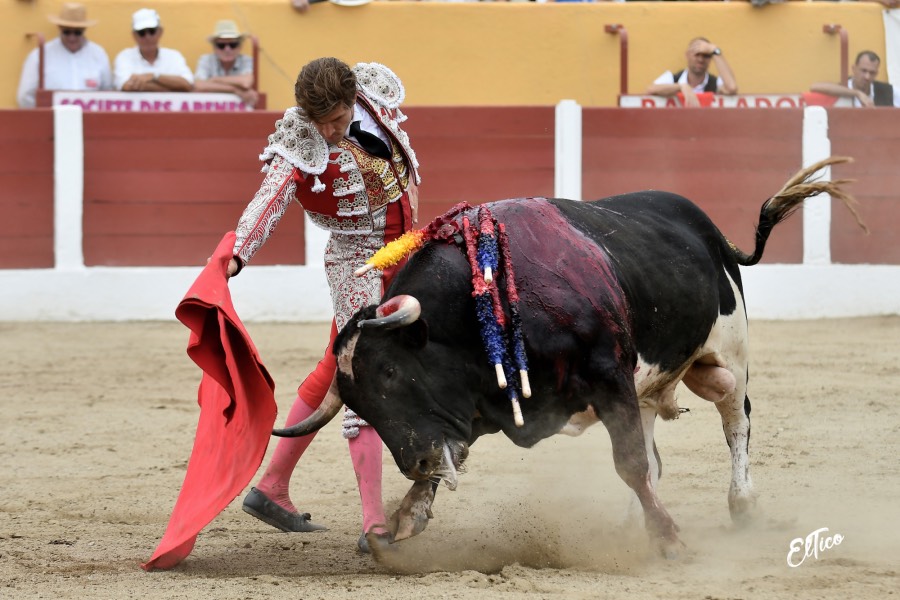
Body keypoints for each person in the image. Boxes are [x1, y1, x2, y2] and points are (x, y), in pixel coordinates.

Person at [228, 57, 420, 553]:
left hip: (404, 252)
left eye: (336, 120)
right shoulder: (301, 136)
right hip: (357, 264)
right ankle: (375, 524)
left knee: (333, 371)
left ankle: (272, 486)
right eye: (319, 122)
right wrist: (238, 253)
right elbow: (269, 198)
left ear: (353, 100)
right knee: (362, 375)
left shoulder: (373, 96)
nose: (328, 132)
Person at [16, 3, 112, 108]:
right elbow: (25, 96)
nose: (72, 37)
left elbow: (107, 93)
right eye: (66, 32)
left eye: (77, 33)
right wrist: (43, 115)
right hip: (51, 116)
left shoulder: (98, 54)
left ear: (84, 30)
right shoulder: (39, 55)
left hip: (91, 117)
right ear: (60, 28)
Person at [113, 8, 193, 92]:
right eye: (141, 32)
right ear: (134, 35)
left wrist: (153, 76)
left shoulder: (174, 56)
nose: (148, 37)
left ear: (160, 32)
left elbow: (187, 84)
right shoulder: (124, 56)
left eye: (152, 31)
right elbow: (127, 86)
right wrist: (173, 86)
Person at [646, 37, 738, 107]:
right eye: (697, 54)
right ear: (687, 55)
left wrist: (715, 50)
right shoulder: (673, 78)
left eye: (706, 56)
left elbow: (732, 88)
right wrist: (681, 87)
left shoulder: (715, 83)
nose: (700, 59)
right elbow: (650, 90)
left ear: (710, 59)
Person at [193, 20, 258, 107]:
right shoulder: (206, 60)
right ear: (214, 48)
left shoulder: (246, 60)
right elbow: (198, 85)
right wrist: (235, 90)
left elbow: (245, 82)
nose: (227, 49)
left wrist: (214, 80)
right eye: (221, 45)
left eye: (233, 45)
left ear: (240, 47)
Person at [810, 50, 900, 108]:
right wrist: (857, 93)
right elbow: (815, 87)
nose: (867, 77)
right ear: (854, 69)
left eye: (872, 72)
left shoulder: (886, 91)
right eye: (863, 71)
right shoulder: (842, 88)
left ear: (876, 73)